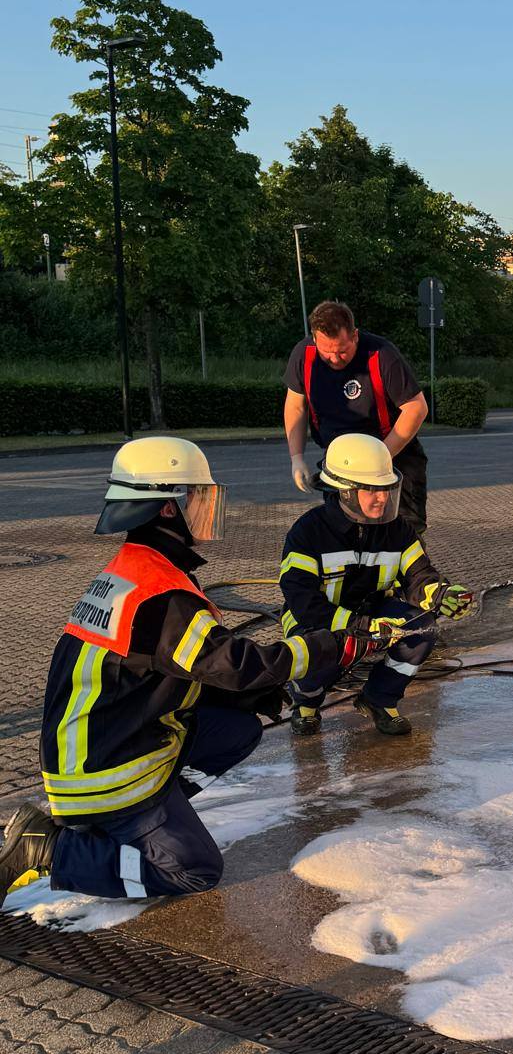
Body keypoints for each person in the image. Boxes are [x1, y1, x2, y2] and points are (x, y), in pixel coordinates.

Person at [0, 438, 393, 906]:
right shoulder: (161, 594)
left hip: (99, 742)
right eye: (198, 497)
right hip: (105, 773)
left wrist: (245, 696)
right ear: (168, 508)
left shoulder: (138, 568)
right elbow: (237, 665)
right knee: (194, 871)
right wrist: (333, 646)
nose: (207, 508)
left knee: (237, 728)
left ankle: (151, 816)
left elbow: (179, 670)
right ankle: (53, 848)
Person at [279, 433, 473, 737]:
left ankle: (379, 698)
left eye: (385, 488)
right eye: (371, 489)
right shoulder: (308, 533)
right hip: (317, 619)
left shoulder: (397, 530)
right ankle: (306, 702)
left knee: (423, 628)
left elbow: (419, 576)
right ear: (343, 491)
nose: (382, 498)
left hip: (374, 612)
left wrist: (442, 595)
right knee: (320, 650)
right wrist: (358, 626)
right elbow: (302, 601)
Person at [284, 299, 430, 531]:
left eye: (342, 351)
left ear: (355, 336)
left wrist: (379, 458)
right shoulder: (304, 356)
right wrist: (296, 457)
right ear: (314, 340)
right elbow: (295, 406)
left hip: (394, 458)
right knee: (342, 533)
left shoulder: (382, 355)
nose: (334, 359)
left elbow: (416, 408)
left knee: (402, 533)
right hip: (341, 465)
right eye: (326, 352)